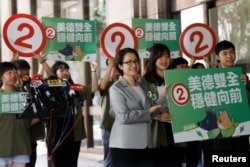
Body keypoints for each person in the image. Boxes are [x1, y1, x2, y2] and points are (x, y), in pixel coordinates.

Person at [34, 56, 98, 167]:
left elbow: (93, 89)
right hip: (56, 134)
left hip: (73, 134)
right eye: (61, 70)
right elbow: (43, 81)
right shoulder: (50, 87)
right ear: (55, 73)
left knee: (72, 163)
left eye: (67, 70)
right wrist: (43, 63)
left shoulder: (75, 88)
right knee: (56, 163)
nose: (65, 72)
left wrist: (93, 70)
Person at [109, 47, 161, 167]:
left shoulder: (142, 86)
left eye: (136, 61)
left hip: (146, 143)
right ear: (120, 66)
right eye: (129, 62)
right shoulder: (116, 88)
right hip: (125, 144)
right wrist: (148, 112)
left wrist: (162, 98)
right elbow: (123, 116)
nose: (134, 65)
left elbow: (151, 112)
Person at [201, 40, 250, 167]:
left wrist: (245, 86)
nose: (229, 56)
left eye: (232, 52)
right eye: (225, 53)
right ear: (217, 56)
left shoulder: (242, 76)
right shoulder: (209, 78)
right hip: (219, 133)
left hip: (240, 131)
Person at [140, 43, 187, 167]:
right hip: (156, 131)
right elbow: (141, 107)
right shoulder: (144, 81)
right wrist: (158, 116)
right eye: (160, 56)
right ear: (153, 58)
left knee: (176, 161)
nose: (165, 60)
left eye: (167, 56)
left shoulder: (177, 77)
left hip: (176, 127)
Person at [11, 56, 45, 167]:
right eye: (21, 70)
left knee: (31, 162)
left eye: (26, 70)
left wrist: (42, 63)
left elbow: (40, 79)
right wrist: (11, 61)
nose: (24, 72)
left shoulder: (32, 85)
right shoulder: (10, 87)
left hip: (31, 135)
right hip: (15, 135)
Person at [0, 62, 33, 167]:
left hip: (21, 144)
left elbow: (33, 116)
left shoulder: (24, 94)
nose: (13, 75)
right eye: (9, 73)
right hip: (2, 145)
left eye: (15, 72)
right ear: (1, 76)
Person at [99, 58, 119, 167]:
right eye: (112, 65)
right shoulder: (106, 83)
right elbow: (102, 87)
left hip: (124, 124)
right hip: (108, 125)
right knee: (110, 157)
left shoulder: (124, 82)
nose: (115, 68)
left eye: (117, 65)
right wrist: (110, 67)